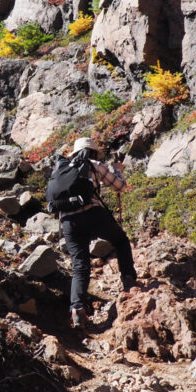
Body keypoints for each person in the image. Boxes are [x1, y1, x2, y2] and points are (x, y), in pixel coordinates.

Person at [57, 137, 137, 330]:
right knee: (120, 241)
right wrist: (118, 170)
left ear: (74, 153)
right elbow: (120, 187)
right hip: (93, 214)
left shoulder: (60, 169)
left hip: (68, 222)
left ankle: (77, 310)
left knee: (80, 267)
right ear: (92, 152)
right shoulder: (94, 164)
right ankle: (128, 280)